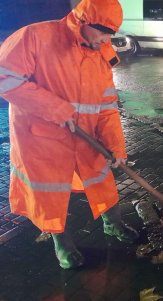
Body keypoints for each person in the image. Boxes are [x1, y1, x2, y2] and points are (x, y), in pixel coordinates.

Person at [0, 0, 138, 269]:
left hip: (85, 134)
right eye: (103, 33)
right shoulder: (35, 37)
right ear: (84, 23)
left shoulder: (101, 54)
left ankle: (114, 223)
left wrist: (116, 147)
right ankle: (61, 243)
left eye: (111, 33)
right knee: (50, 193)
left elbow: (107, 106)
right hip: (41, 140)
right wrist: (53, 107)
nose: (106, 40)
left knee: (102, 178)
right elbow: (5, 77)